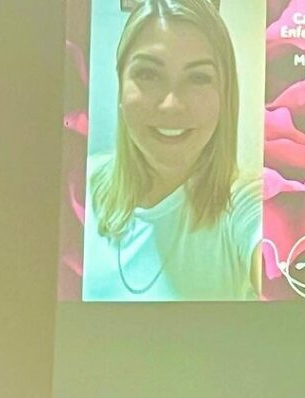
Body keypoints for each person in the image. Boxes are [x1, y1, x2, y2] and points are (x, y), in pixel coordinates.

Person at [82, 0, 262, 301]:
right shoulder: (78, 187)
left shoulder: (245, 203)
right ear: (121, 87)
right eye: (148, 75)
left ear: (225, 96)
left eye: (198, 78)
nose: (171, 105)